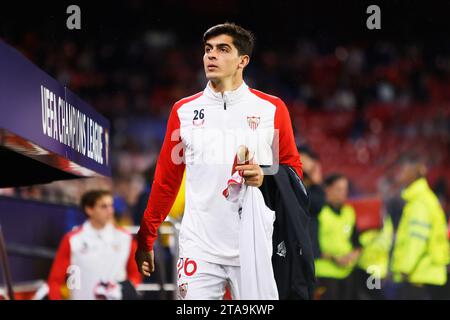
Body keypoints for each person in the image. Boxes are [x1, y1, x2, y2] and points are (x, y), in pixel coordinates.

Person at [135, 22, 304, 300]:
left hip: (255, 245)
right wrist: (146, 235)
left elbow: (293, 174)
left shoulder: (271, 109)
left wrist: (265, 178)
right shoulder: (184, 111)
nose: (211, 56)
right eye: (208, 49)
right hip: (199, 247)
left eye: (223, 49)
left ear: (243, 61)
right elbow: (166, 181)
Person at [48, 190, 142, 300]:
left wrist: (122, 291)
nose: (110, 211)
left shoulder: (125, 238)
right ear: (89, 209)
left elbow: (135, 275)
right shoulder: (73, 240)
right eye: (103, 206)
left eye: (111, 205)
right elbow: (55, 280)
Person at [391, 155, 449, 300]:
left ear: (415, 172)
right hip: (425, 275)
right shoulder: (421, 198)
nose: (398, 174)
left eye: (403, 169)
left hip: (420, 277)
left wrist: (404, 269)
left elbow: (417, 240)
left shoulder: (419, 202)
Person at [314, 173, 361, 299]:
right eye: (338, 189)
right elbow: (312, 247)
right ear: (327, 189)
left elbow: (357, 242)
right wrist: (335, 258)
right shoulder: (319, 212)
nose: (343, 193)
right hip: (325, 274)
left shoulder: (349, 212)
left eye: (345, 189)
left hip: (348, 273)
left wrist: (353, 255)